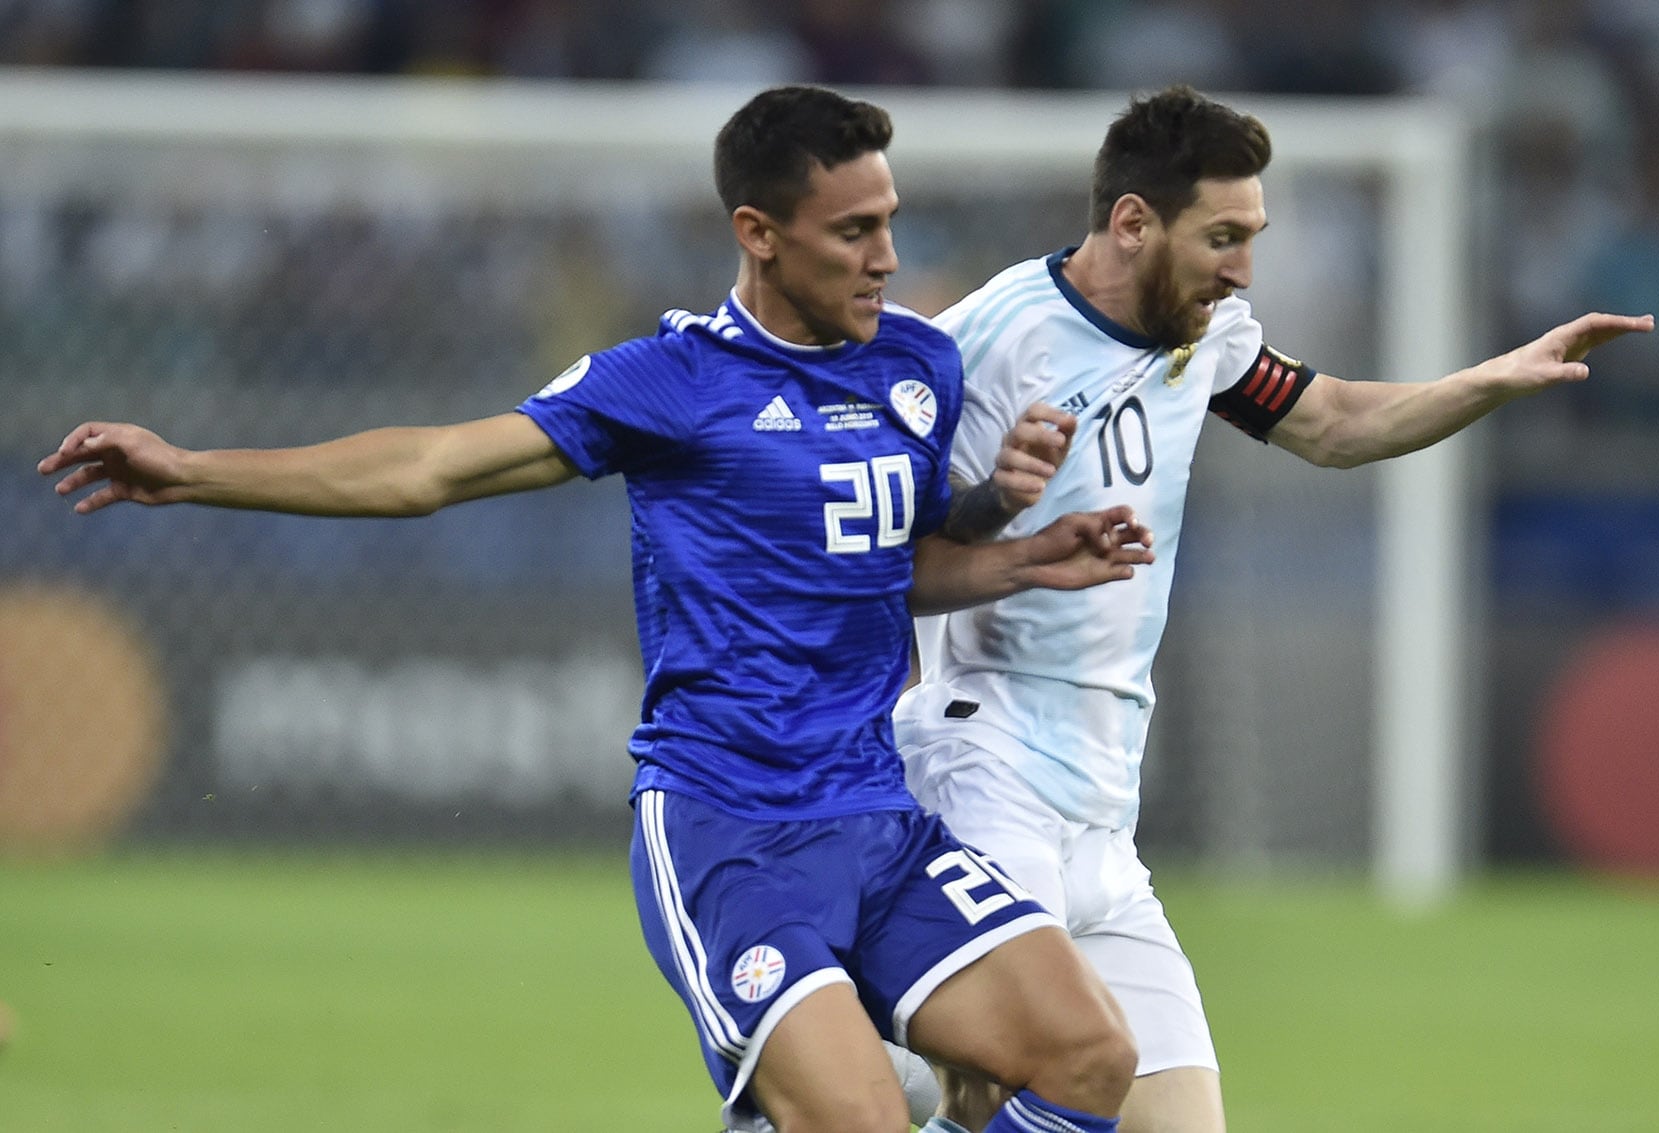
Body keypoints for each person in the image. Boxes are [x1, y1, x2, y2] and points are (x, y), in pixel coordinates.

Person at [40, 86, 1154, 1133]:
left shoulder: (914, 366)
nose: (886, 258)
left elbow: (889, 559)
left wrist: (1016, 543)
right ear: (758, 232)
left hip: (875, 812)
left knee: (1090, 1054)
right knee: (860, 1117)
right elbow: (430, 468)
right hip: (728, 828)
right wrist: (190, 469)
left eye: (889, 221)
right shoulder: (669, 381)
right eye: (851, 231)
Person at [894, 84, 1655, 1133]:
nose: (1241, 266)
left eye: (1251, 237)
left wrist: (1492, 379)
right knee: (997, 1087)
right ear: (1130, 223)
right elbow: (883, 554)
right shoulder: (981, 345)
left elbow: (1331, 423)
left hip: (1101, 809)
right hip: (984, 774)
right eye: (1220, 236)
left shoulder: (1200, 335)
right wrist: (1000, 527)